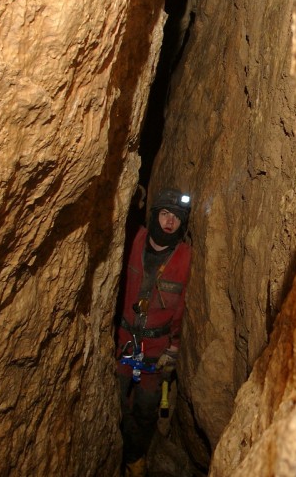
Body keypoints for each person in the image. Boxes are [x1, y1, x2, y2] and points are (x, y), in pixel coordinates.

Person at [115, 187, 192, 477]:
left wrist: (174, 348)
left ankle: (137, 455)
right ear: (154, 215)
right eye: (165, 214)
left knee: (146, 411)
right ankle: (128, 455)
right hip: (123, 343)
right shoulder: (133, 240)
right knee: (116, 401)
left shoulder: (185, 257)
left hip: (156, 350)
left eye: (176, 217)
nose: (170, 221)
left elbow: (184, 307)